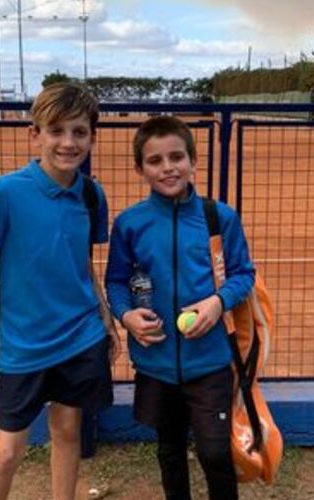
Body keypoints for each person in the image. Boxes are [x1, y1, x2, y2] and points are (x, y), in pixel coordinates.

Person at [0, 82, 120, 500]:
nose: (68, 142)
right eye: (56, 131)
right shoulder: (6, 193)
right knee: (6, 452)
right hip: (22, 345)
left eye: (79, 132)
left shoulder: (91, 194)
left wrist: (104, 313)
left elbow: (80, 260)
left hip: (80, 336)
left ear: (92, 137)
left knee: (67, 431)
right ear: (35, 135)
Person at [105, 116, 255, 500]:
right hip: (155, 362)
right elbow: (116, 282)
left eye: (176, 157)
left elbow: (243, 275)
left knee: (215, 452)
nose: (168, 167)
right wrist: (126, 316)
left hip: (210, 361)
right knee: (169, 449)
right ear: (140, 168)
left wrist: (217, 302)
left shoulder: (219, 217)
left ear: (193, 161)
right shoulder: (130, 224)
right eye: (155, 160)